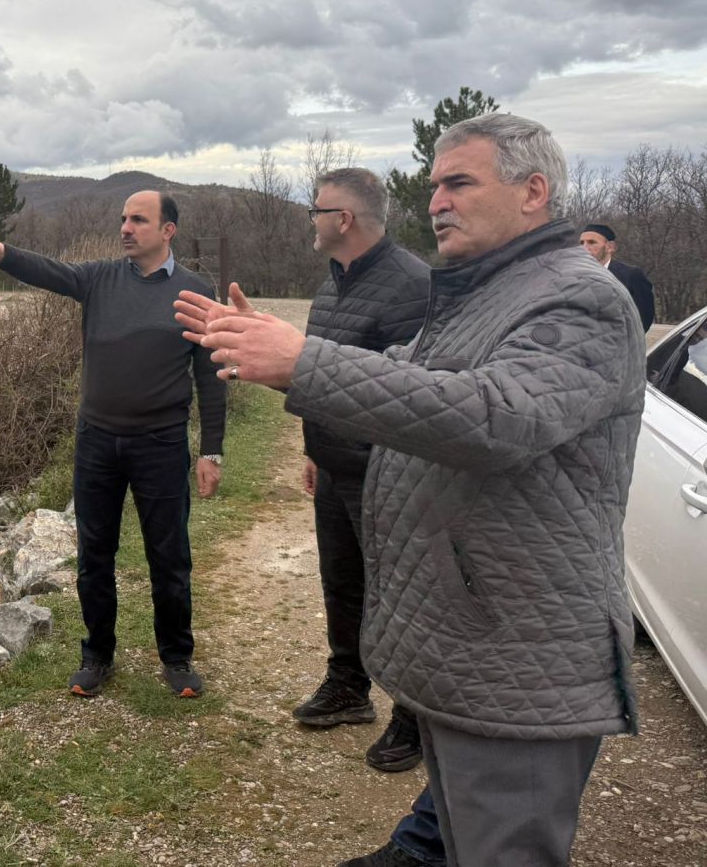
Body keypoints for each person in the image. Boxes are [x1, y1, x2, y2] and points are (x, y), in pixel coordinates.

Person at [176, 114, 644, 867]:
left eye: (459, 182)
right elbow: (414, 370)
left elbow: (496, 414)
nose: (436, 202)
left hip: (518, 659)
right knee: (453, 828)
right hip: (477, 646)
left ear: (534, 192)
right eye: (433, 186)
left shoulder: (579, 300)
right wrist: (285, 352)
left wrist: (306, 363)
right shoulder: (489, 290)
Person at [0, 191, 226, 699]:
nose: (126, 228)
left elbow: (211, 377)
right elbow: (53, 272)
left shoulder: (194, 291)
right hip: (97, 441)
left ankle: (177, 657)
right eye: (123, 219)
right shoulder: (100, 279)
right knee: (94, 556)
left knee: (169, 557)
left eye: (138, 220)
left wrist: (211, 451)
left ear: (168, 230)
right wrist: (3, 253)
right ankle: (97, 655)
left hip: (161, 445)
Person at [295, 168, 432, 781]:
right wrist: (311, 447)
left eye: (316, 211)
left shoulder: (412, 287)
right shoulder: (332, 286)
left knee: (401, 594)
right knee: (343, 583)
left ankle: (416, 716)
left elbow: (418, 396)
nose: (313, 221)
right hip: (334, 467)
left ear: (343, 219)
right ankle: (348, 686)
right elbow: (323, 378)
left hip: (387, 475)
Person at [579, 223, 656, 331]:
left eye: (592, 242)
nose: (584, 248)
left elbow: (643, 319)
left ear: (610, 247)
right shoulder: (574, 276)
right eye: (581, 243)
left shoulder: (631, 275)